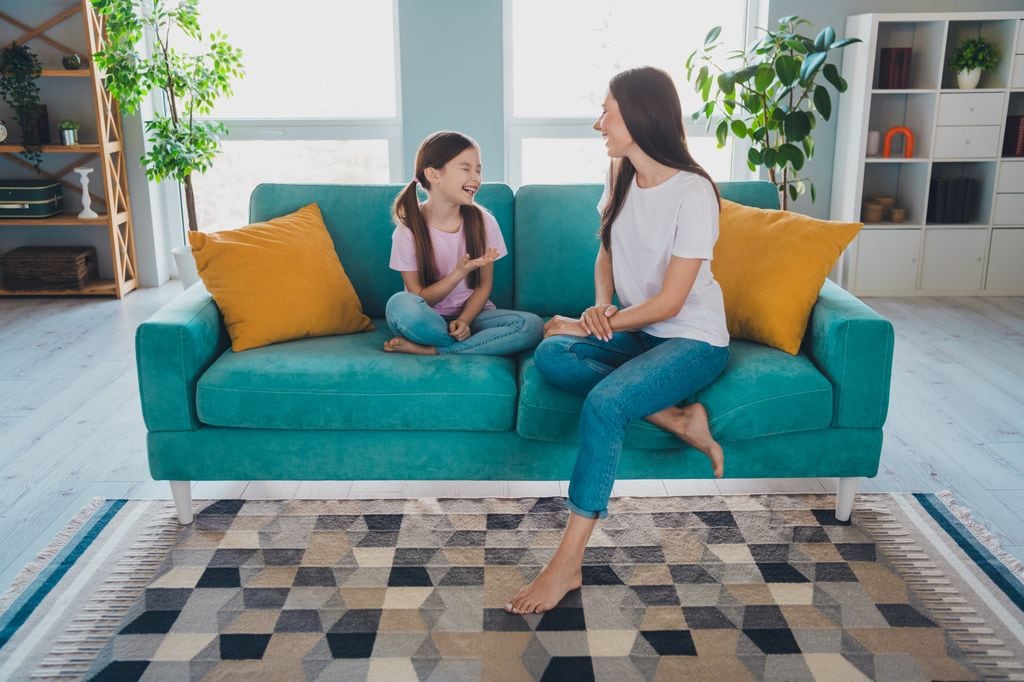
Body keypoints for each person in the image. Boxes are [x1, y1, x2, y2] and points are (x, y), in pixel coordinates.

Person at [505, 67, 730, 615]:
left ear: (639, 115)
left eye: (606, 111)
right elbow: (605, 249)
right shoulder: (620, 171)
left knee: (606, 402)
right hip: (639, 331)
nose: (598, 122)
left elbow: (673, 303)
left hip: (691, 339)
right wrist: (602, 307)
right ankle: (676, 419)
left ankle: (566, 565)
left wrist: (592, 325)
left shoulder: (694, 193)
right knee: (551, 352)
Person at [385, 131, 542, 356]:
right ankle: (459, 344)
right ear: (433, 174)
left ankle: (437, 350)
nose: (476, 177)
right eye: (466, 168)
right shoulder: (408, 230)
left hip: (474, 316)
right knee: (399, 305)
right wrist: (458, 274)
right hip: (427, 318)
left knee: (530, 326)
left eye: (478, 170)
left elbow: (483, 285)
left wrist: (464, 321)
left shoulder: (484, 222)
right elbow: (419, 296)